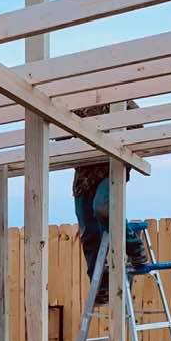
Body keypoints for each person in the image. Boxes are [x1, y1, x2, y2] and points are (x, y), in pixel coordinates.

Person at [72, 103, 149, 304]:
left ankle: (134, 247)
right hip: (84, 176)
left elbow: (138, 131)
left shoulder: (122, 101)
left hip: (110, 167)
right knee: (88, 231)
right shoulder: (77, 100)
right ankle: (100, 284)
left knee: (102, 207)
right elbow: (58, 133)